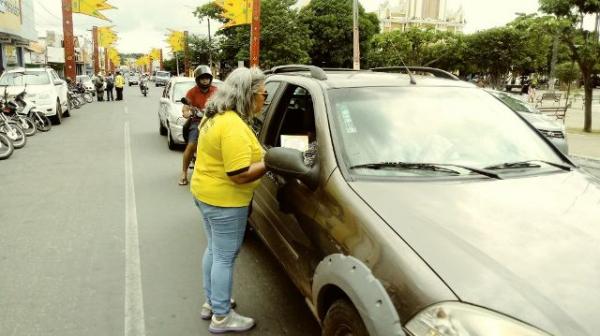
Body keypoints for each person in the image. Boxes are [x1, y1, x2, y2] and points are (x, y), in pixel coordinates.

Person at [191, 67, 267, 333]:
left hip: (205, 192)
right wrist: (269, 161)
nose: (264, 100)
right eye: (262, 93)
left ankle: (212, 302)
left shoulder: (215, 116)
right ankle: (222, 317)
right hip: (225, 200)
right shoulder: (232, 125)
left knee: (214, 250)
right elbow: (238, 174)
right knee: (224, 256)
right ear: (248, 94)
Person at [179, 65, 218, 186]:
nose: (205, 80)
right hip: (197, 121)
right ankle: (184, 173)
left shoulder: (216, 91)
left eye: (207, 78)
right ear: (197, 80)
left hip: (214, 121)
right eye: (202, 78)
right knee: (191, 146)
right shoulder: (192, 92)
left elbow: (224, 104)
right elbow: (185, 109)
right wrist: (188, 112)